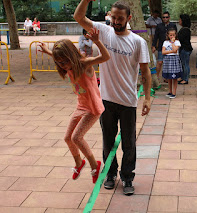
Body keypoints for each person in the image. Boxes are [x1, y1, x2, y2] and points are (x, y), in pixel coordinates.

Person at [74, 0, 152, 196]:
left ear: (129, 18)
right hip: (106, 99)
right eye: (114, 17)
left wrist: (147, 98)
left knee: (129, 143)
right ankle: (110, 174)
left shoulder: (137, 42)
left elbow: (145, 71)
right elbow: (79, 17)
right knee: (108, 140)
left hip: (128, 101)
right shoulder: (104, 31)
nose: (116, 22)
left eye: (120, 18)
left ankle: (127, 177)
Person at [37, 28, 110, 183]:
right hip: (81, 106)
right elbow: (61, 60)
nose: (63, 66)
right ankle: (79, 162)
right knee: (67, 138)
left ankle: (94, 165)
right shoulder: (67, 64)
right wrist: (48, 51)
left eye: (65, 62)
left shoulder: (85, 64)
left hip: (93, 108)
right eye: (59, 63)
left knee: (77, 137)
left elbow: (105, 56)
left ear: (72, 56)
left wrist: (96, 41)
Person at [152, 12, 177, 80]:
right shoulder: (159, 26)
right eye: (163, 17)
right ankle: (156, 77)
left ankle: (167, 78)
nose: (165, 18)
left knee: (169, 63)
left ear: (169, 18)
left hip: (170, 47)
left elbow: (176, 36)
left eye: (166, 17)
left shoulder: (173, 25)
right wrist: (153, 46)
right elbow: (156, 37)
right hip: (161, 46)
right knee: (160, 62)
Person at [162, 28, 182, 99]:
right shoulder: (165, 42)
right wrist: (171, 51)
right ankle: (170, 91)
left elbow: (175, 50)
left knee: (174, 77)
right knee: (169, 77)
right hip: (167, 60)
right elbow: (163, 52)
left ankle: (174, 92)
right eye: (170, 35)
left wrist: (173, 43)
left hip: (174, 60)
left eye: (173, 35)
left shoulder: (177, 42)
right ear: (168, 35)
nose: (172, 36)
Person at [178, 14, 193, 85]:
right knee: (183, 64)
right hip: (185, 48)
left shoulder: (185, 30)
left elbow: (180, 39)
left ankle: (185, 79)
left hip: (185, 49)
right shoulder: (185, 29)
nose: (179, 21)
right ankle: (183, 77)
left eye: (180, 20)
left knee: (185, 64)